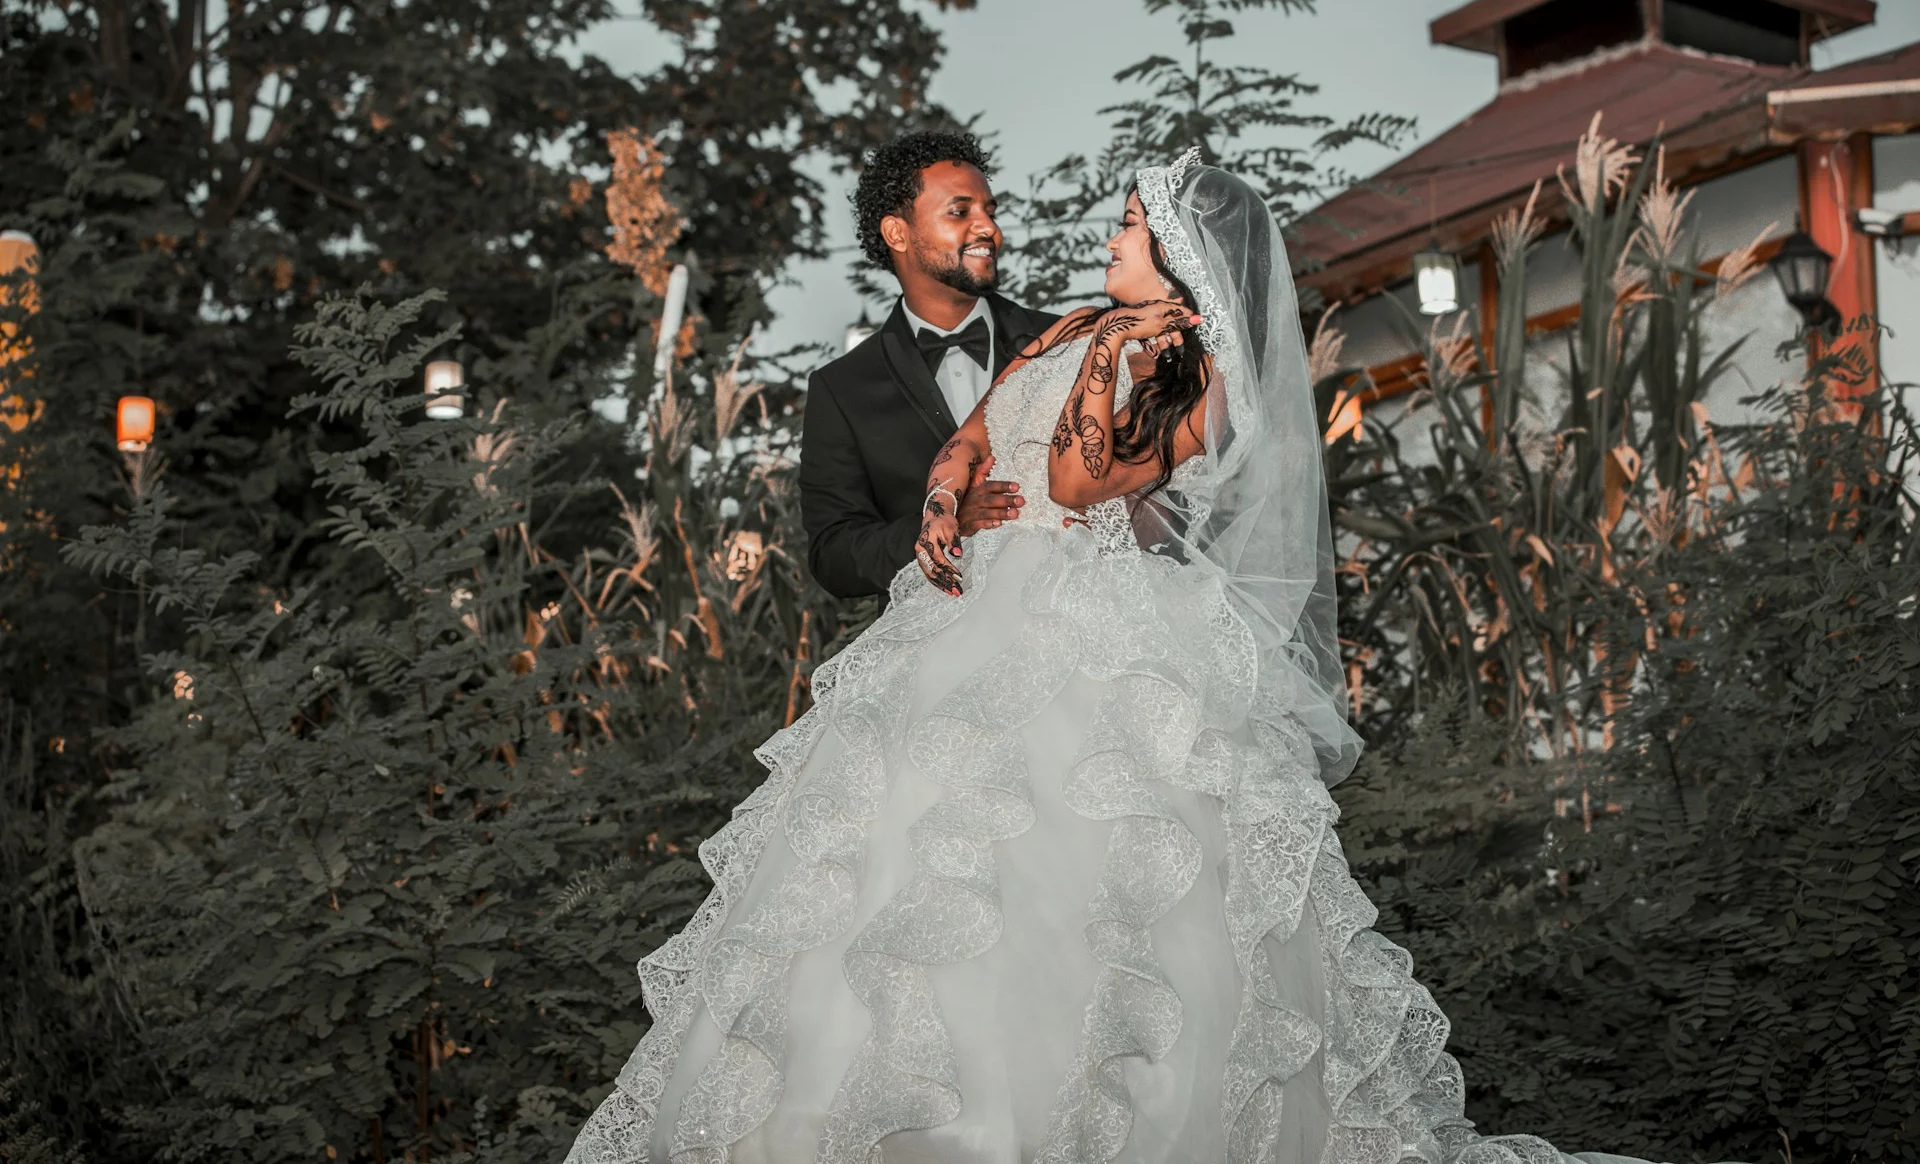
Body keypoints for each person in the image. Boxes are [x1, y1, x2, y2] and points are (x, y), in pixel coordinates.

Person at [567, 151, 1695, 1164]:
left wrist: (1123, 352)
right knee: (892, 865)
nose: (1102, 242)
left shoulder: (1182, 368)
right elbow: (979, 427)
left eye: (1127, 229)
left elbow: (1074, 482)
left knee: (1105, 880)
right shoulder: (1059, 330)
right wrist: (949, 493)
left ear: (1180, 263)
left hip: (1097, 625)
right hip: (960, 621)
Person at [800, 130, 1057, 602]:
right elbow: (833, 554)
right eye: (960, 212)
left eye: (990, 212)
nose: (988, 229)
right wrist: (944, 524)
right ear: (898, 233)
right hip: (930, 655)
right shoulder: (842, 389)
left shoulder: (1063, 343)